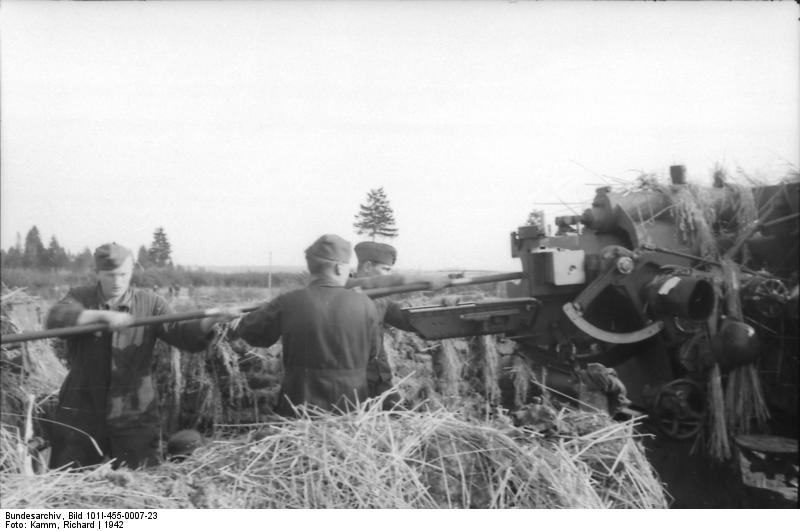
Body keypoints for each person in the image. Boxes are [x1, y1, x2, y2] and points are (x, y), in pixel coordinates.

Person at [46, 243, 238, 469]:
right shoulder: (79, 297)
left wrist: (211, 320)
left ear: (131, 272)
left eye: (123, 275)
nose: (117, 282)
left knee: (142, 480)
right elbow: (56, 318)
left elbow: (181, 333)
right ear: (97, 273)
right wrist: (101, 316)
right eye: (110, 275)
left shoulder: (151, 303)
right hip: (81, 409)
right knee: (70, 480)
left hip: (134, 411)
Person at [229, 234, 381, 416]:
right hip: (350, 409)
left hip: (300, 407)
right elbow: (373, 352)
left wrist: (238, 322)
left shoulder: (288, 302)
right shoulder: (366, 304)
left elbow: (254, 334)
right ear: (339, 267)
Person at [346, 242, 450, 403]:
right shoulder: (342, 291)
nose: (389, 275)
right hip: (350, 379)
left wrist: (443, 307)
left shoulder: (381, 298)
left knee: (397, 415)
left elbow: (407, 319)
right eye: (385, 269)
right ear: (367, 266)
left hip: (379, 376)